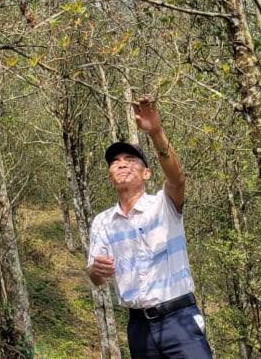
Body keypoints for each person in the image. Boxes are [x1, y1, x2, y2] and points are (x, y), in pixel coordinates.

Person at [86, 97, 213, 358]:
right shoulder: (103, 222)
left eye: (130, 159)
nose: (121, 163)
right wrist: (97, 271)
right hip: (138, 326)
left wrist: (155, 131)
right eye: (115, 161)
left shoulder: (164, 205)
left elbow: (177, 177)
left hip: (180, 319)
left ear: (147, 173)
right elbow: (96, 278)